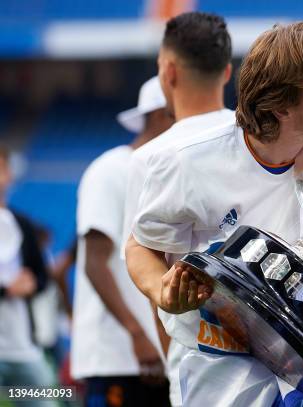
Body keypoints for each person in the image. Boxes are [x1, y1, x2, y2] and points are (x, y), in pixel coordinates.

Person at [125, 22, 303, 405]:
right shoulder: (188, 162)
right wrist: (162, 291)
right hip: (224, 376)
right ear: (282, 106)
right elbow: (141, 248)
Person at [120, 12, 234, 406]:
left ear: (168, 72)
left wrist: (173, 369)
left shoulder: (152, 158)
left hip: (201, 360)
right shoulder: (255, 139)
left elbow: (151, 269)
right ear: (226, 72)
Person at [71, 76, 174, 406]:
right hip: (118, 358)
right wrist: (138, 336)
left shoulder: (163, 173)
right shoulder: (110, 170)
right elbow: (93, 263)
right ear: (161, 115)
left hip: (156, 356)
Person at [0, 145, 54, 399]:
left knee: (45, 400)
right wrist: (7, 289)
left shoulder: (22, 224)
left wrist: (32, 285)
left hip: (22, 346)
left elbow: (42, 276)